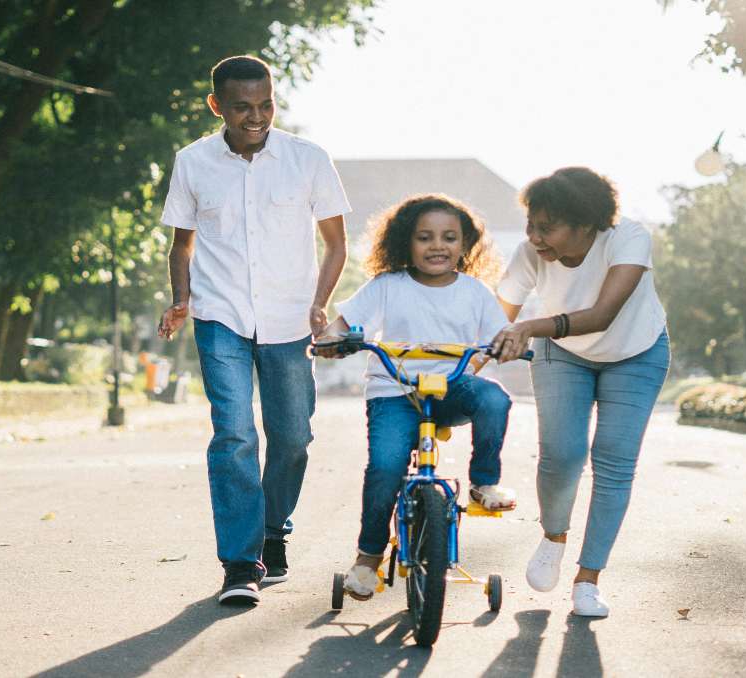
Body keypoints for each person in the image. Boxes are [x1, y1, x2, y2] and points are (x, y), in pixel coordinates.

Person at [157, 55, 351, 604]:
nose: (257, 117)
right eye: (242, 107)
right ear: (216, 105)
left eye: (266, 104)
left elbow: (336, 244)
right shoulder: (192, 162)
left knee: (292, 437)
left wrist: (320, 304)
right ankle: (241, 563)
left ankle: (272, 532)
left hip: (290, 319)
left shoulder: (308, 159)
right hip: (220, 316)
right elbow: (182, 246)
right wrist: (181, 300)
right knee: (235, 434)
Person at [315, 194, 516, 600]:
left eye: (449, 238)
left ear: (465, 244)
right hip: (395, 391)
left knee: (494, 398)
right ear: (405, 242)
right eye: (425, 237)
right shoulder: (386, 286)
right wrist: (331, 340)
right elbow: (341, 326)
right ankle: (368, 559)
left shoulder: (475, 292)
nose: (437, 246)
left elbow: (499, 336)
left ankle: (484, 482)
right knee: (386, 467)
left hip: (451, 388)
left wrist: (506, 345)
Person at [491, 166, 669, 618]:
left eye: (547, 228)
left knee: (614, 460)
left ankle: (588, 580)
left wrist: (529, 327)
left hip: (636, 352)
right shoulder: (531, 253)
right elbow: (494, 319)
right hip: (563, 353)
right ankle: (554, 536)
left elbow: (603, 314)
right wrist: (460, 365)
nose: (535, 237)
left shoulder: (628, 238)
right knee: (563, 453)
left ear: (587, 224)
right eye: (531, 224)